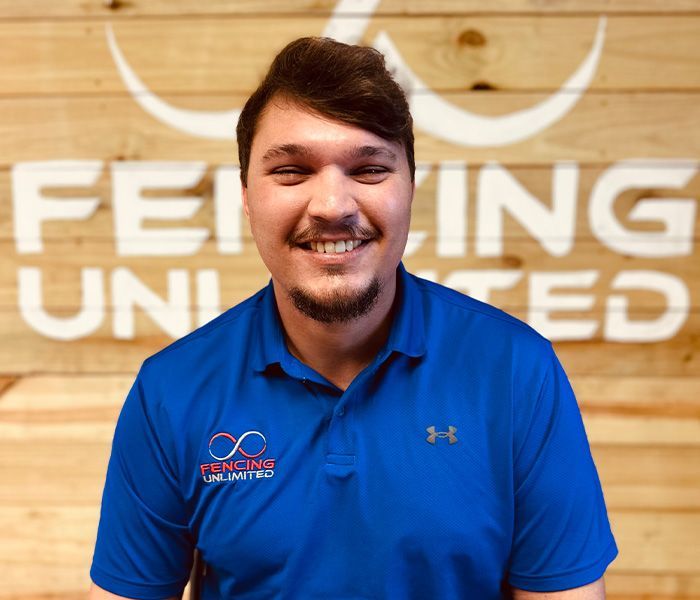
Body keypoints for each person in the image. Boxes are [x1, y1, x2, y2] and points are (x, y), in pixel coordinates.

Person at [89, 37, 617, 599]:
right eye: (292, 171)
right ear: (246, 195)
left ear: (411, 186)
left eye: (368, 169)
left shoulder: (514, 371)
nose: (332, 206)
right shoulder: (172, 389)